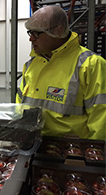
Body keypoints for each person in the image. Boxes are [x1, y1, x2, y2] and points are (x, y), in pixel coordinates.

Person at [16, 5, 106, 140]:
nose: (31, 39)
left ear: (58, 31)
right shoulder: (31, 65)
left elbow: (101, 117)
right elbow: (20, 106)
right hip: (33, 144)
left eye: (36, 33)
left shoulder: (90, 65)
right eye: (30, 33)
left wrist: (94, 154)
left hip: (70, 151)